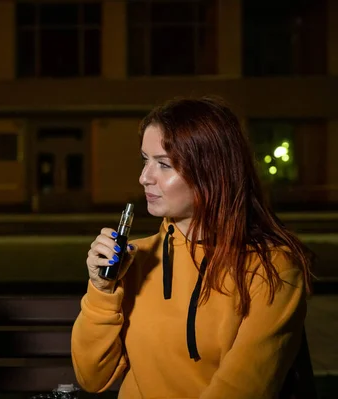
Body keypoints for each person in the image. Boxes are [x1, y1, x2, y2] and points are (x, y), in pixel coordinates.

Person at [71, 96, 314, 398]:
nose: (144, 177)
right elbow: (92, 377)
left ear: (210, 171)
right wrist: (102, 289)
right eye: (145, 160)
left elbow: (242, 389)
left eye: (163, 164)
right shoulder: (135, 258)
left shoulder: (271, 266)